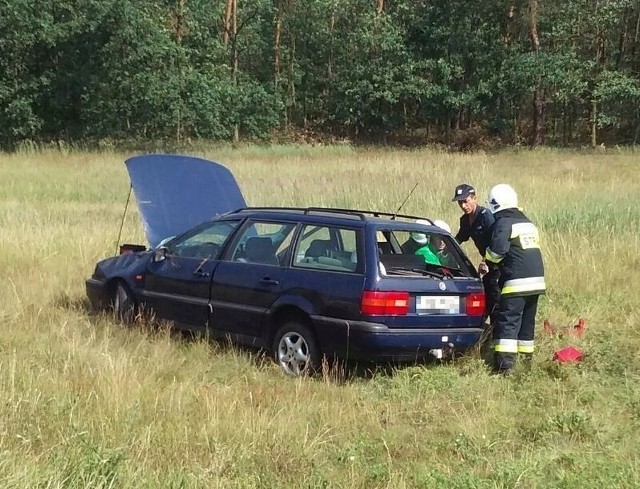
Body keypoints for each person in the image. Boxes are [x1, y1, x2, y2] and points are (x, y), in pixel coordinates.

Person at [484, 183, 546, 374]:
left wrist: (488, 260)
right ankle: (526, 363)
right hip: (537, 281)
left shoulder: (504, 223)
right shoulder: (528, 222)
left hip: (516, 282)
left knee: (508, 322)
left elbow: (497, 252)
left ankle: (505, 366)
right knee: (527, 322)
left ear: (495, 204)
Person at [451, 183, 499, 323]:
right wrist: (446, 248)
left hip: (496, 263)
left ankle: (496, 333)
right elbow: (460, 238)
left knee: (495, 298)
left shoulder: (486, 216)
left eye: (465, 201)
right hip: (486, 267)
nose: (463, 206)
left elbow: (495, 242)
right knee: (486, 297)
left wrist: (485, 260)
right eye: (460, 203)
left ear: (474, 198)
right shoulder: (465, 220)